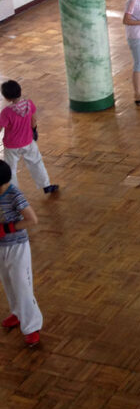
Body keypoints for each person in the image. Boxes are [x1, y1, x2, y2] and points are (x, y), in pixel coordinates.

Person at [0, 158, 43, 348]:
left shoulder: (14, 195)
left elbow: (32, 219)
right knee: (8, 282)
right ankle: (17, 313)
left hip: (17, 247)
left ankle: (32, 326)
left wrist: (8, 228)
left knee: (22, 285)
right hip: (1, 247)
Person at [0, 81, 58, 193]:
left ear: (6, 98)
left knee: (11, 168)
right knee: (36, 163)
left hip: (11, 145)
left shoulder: (6, 112)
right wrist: (34, 130)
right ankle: (46, 185)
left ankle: (14, 192)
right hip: (28, 141)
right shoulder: (29, 104)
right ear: (20, 92)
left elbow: (0, 127)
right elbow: (34, 119)